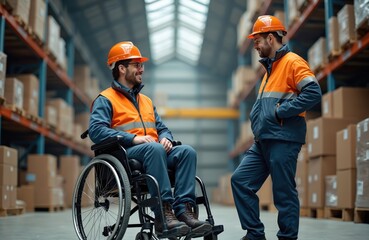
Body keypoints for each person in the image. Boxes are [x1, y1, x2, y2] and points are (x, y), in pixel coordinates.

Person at [88, 41, 211, 237]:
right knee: (154, 149)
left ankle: (184, 211)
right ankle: (163, 215)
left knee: (187, 152)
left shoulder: (146, 101)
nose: (141, 69)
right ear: (121, 68)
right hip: (126, 155)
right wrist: (133, 139)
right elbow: (96, 131)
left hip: (156, 153)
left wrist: (165, 138)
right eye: (136, 65)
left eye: (141, 65)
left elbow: (162, 127)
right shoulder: (106, 99)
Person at [231, 15, 322, 240]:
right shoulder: (270, 70)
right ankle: (255, 234)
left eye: (257, 42)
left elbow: (313, 92)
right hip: (263, 140)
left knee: (283, 193)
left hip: (284, 138)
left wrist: (280, 111)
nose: (255, 47)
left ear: (271, 38)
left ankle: (287, 237)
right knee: (240, 181)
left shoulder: (293, 62)